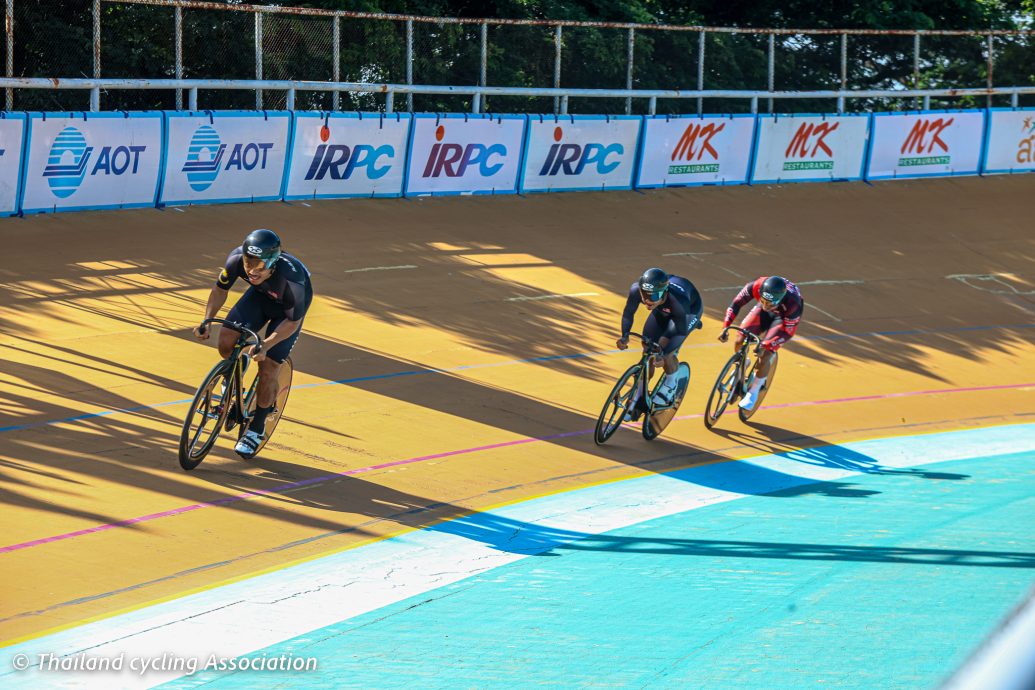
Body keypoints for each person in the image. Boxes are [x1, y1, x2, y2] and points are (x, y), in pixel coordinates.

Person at [193, 229, 313, 458]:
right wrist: (207, 320)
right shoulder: (236, 259)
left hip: (287, 315)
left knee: (268, 366)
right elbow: (220, 290)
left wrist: (267, 344)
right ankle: (232, 375)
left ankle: (257, 427)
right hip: (260, 297)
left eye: (259, 266)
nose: (251, 270)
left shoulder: (293, 280)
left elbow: (292, 321)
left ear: (273, 263)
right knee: (226, 341)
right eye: (249, 262)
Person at [616, 267, 703, 420]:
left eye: (654, 295)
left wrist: (663, 354)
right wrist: (624, 336)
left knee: (663, 350)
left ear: (664, 292)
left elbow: (679, 331)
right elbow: (628, 313)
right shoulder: (637, 290)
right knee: (647, 348)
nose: (648, 300)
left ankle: (671, 383)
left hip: (687, 312)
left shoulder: (678, 301)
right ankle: (639, 395)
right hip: (662, 308)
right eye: (645, 295)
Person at [719, 275, 804, 409]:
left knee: (766, 354)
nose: (765, 306)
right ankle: (744, 361)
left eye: (769, 304)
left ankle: (754, 392)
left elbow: (788, 333)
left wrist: (766, 345)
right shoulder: (756, 285)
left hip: (782, 318)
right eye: (763, 301)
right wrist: (726, 327)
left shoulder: (793, 304)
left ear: (780, 299)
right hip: (767, 311)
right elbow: (736, 304)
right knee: (740, 338)